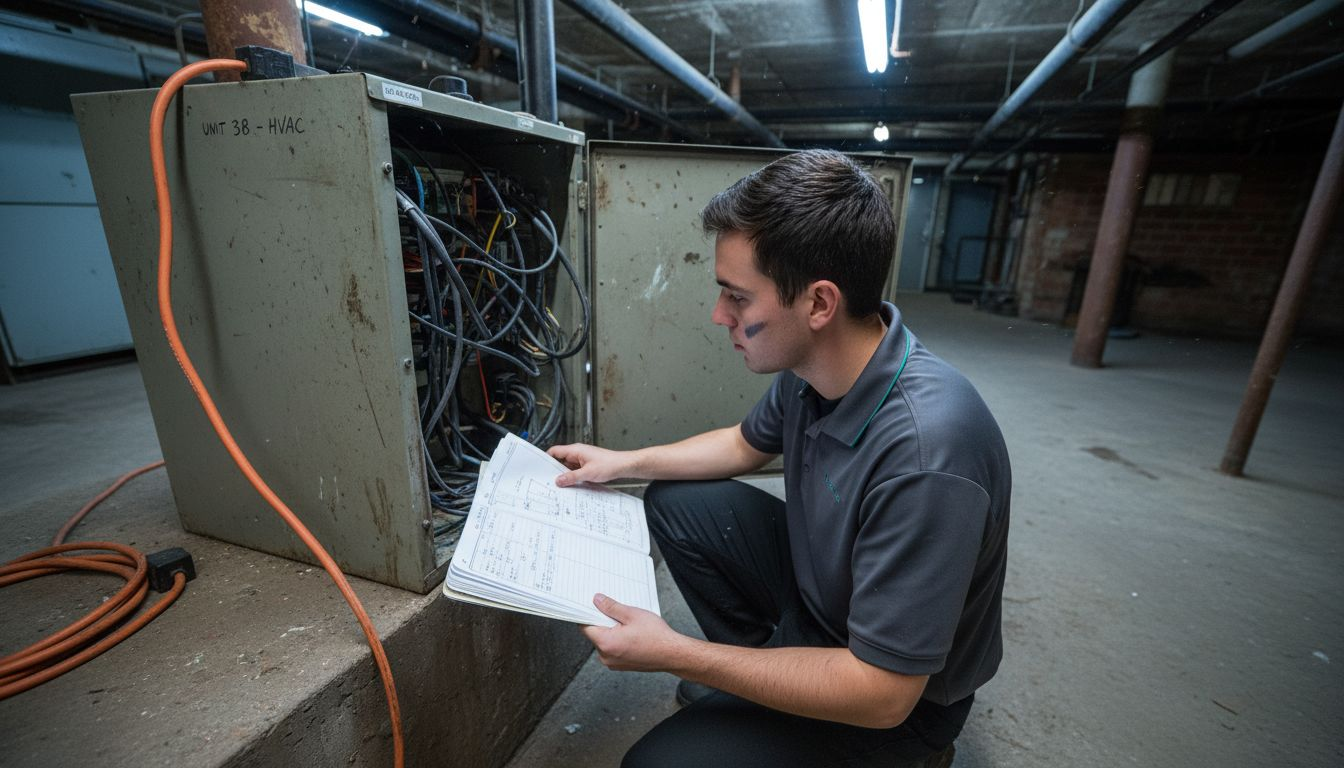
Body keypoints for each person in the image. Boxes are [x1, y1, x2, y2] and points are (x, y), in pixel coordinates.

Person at [547, 149, 1010, 768]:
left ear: (819, 304)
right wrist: (622, 462)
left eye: (738, 298)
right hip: (828, 613)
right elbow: (743, 444)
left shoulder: (929, 456)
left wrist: (676, 651)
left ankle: (871, 744)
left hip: (897, 701)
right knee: (678, 501)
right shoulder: (820, 367)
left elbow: (885, 694)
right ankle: (767, 685)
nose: (720, 316)